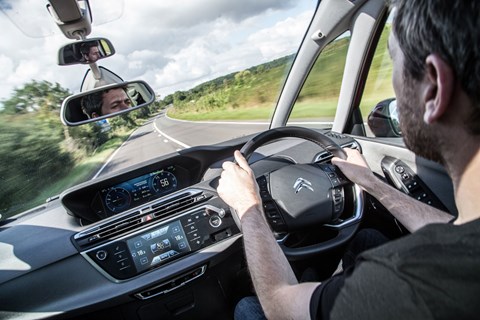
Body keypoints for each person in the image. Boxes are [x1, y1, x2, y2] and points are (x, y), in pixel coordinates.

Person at [217, 0, 480, 318]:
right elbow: (455, 232)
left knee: (247, 307)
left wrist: (248, 207)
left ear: (434, 88)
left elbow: (279, 303)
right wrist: (371, 183)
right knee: (367, 239)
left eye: (392, 60)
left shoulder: (399, 280)